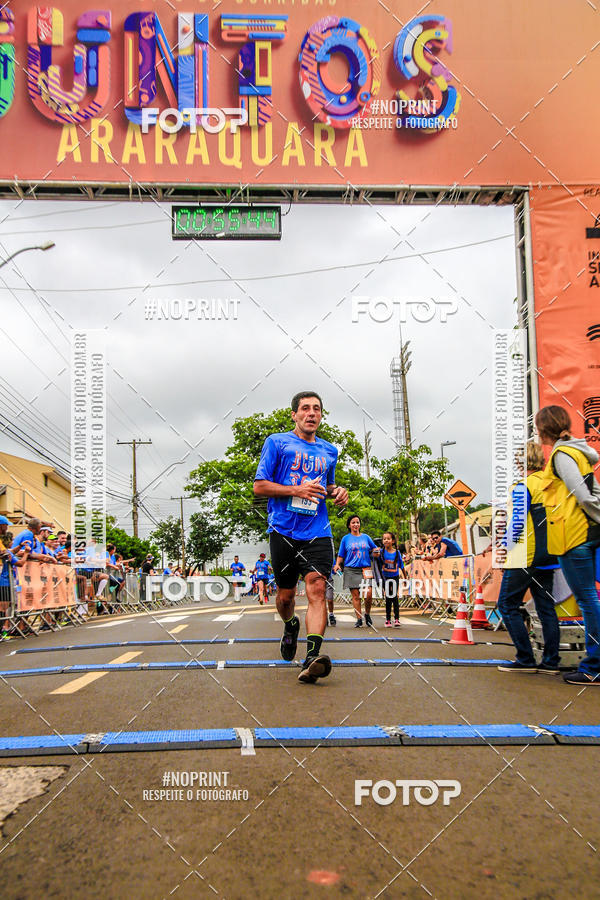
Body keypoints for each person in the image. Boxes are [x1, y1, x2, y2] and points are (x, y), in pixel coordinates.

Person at [254, 390, 348, 684]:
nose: (311, 413)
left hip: (318, 531)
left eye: (317, 409)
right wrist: (295, 490)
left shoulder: (329, 450)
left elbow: (327, 487)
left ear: (321, 415)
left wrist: (337, 492)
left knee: (317, 589)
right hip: (283, 531)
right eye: (305, 409)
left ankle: (312, 656)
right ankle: (290, 624)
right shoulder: (277, 442)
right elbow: (259, 487)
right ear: (294, 414)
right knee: (285, 597)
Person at [535, 405, 600, 685]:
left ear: (542, 431)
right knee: (590, 600)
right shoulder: (577, 451)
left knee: (587, 600)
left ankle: (594, 665)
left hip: (575, 536)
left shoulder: (562, 456)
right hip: (584, 533)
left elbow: (583, 495)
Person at [493, 442, 561, 674]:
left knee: (507, 605)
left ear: (521, 462)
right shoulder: (552, 485)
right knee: (546, 608)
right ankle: (551, 662)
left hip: (524, 556)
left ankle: (525, 658)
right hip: (549, 555)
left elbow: (518, 522)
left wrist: (505, 547)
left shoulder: (523, 486)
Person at [334, 514, 379, 628]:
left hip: (365, 569)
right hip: (351, 570)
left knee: (368, 593)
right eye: (353, 522)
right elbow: (341, 554)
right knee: (356, 596)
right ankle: (359, 618)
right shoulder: (346, 538)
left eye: (357, 522)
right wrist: (337, 564)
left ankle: (367, 614)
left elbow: (374, 549)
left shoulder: (366, 537)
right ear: (349, 525)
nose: (356, 524)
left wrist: (376, 551)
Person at [380, 531, 406, 627]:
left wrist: (405, 577)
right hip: (385, 577)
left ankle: (397, 619)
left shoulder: (397, 552)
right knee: (388, 597)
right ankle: (387, 619)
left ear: (393, 541)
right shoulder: (381, 552)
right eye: (384, 539)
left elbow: (402, 566)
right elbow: (377, 563)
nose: (386, 540)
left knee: (394, 597)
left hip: (394, 576)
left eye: (388, 538)